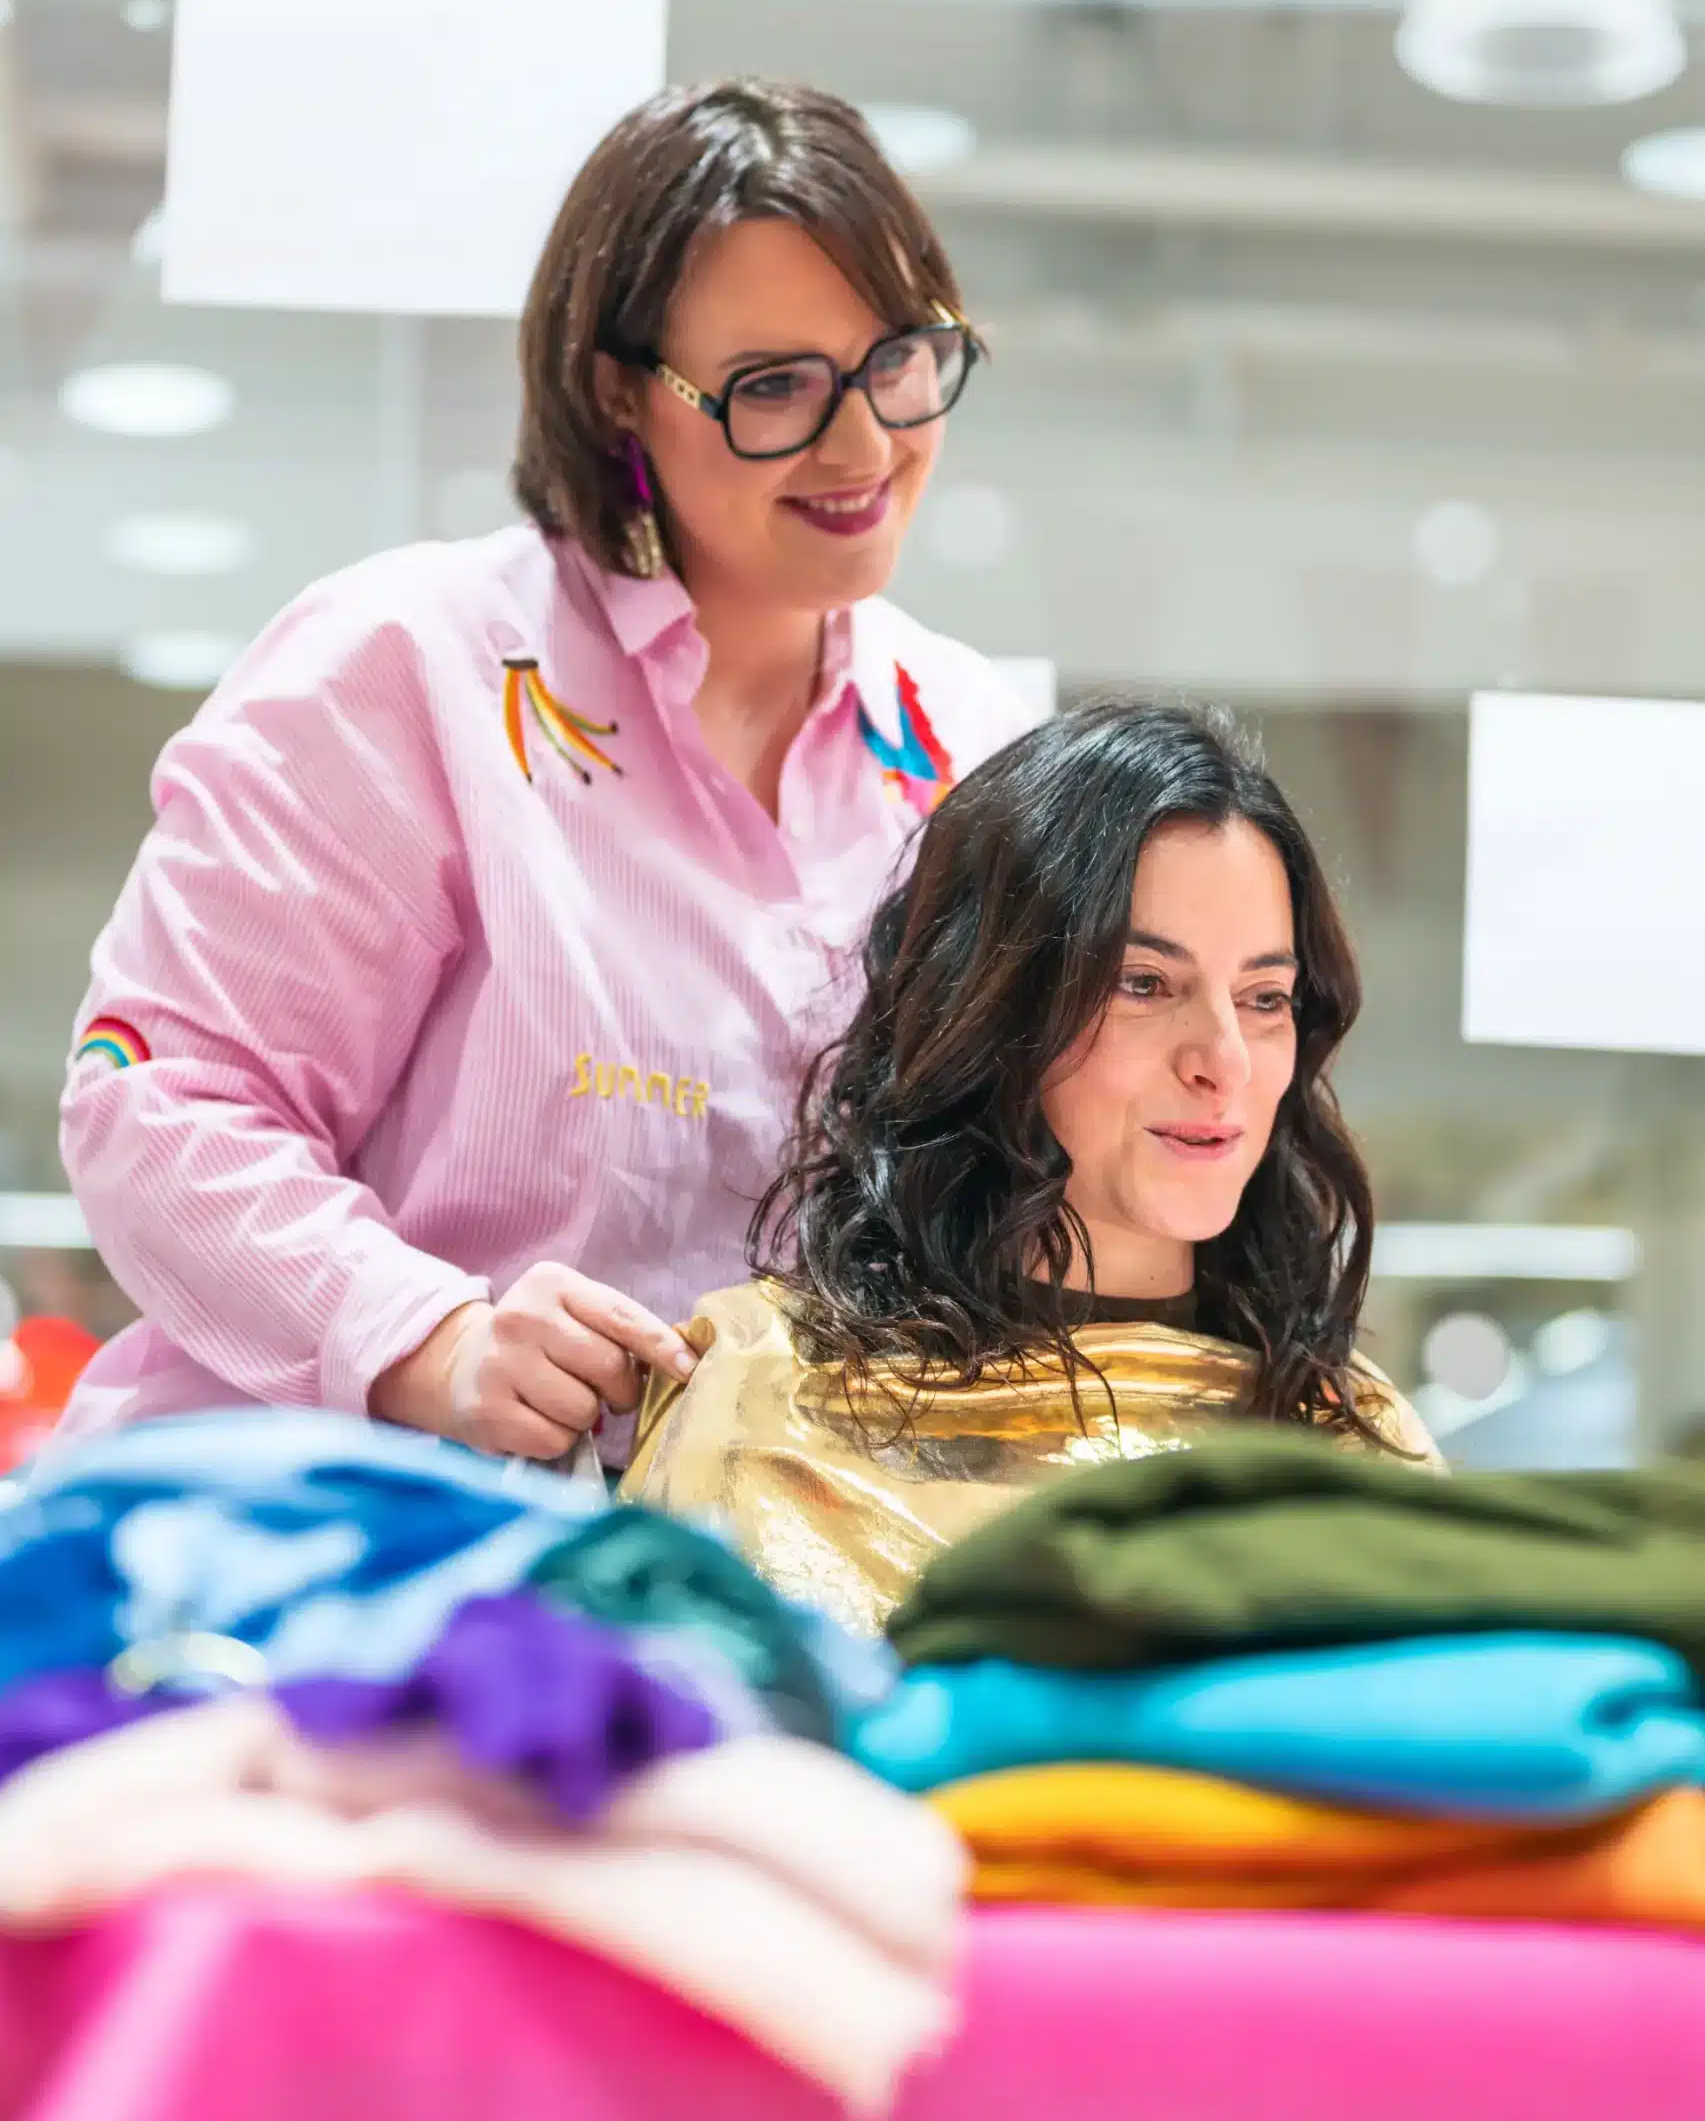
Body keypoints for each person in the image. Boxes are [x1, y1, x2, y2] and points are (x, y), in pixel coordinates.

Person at [56, 78, 1031, 1456]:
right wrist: (426, 1340)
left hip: (753, 1568)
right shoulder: (413, 666)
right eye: (774, 389)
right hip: (350, 1541)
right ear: (617, 393)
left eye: (901, 361)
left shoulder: (964, 746)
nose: (866, 442)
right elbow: (159, 1102)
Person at [623, 702, 1439, 1633]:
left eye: (1264, 998)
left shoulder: (1354, 1437)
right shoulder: (762, 1393)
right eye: (1144, 985)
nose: (1224, 1059)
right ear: (993, 1009)